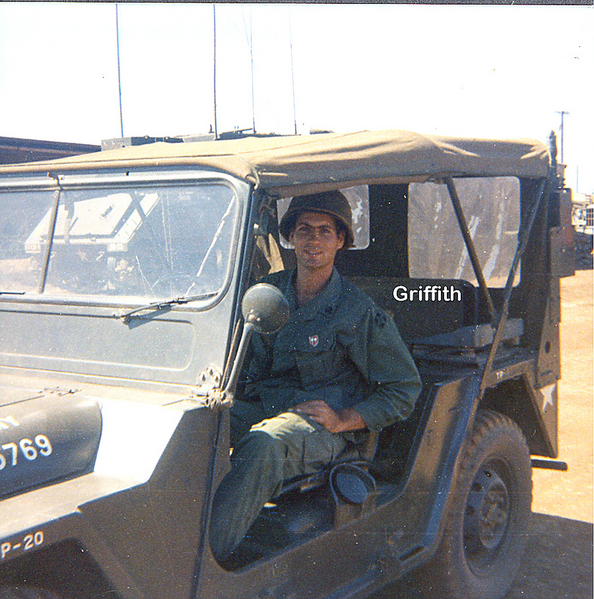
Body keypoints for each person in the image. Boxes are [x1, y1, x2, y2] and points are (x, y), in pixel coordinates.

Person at [210, 190, 421, 564]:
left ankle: (205, 564)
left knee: (264, 445)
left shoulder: (357, 311)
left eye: (326, 231)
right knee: (199, 427)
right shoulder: (267, 293)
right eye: (304, 228)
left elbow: (403, 390)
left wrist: (345, 420)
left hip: (321, 425)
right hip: (264, 404)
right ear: (290, 236)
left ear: (341, 240)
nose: (313, 239)